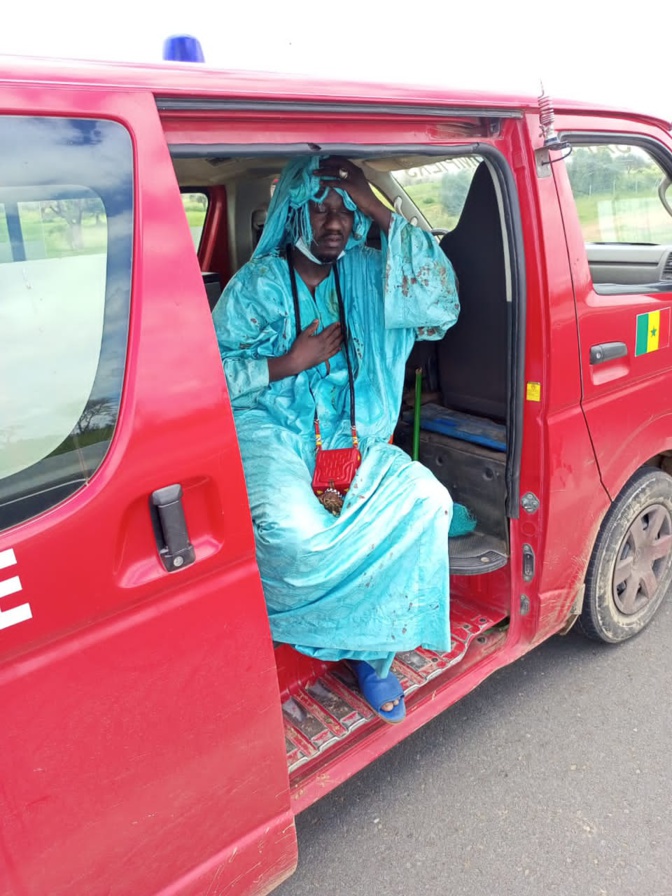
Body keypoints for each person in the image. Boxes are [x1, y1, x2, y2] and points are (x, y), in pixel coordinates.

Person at [213, 155, 467, 724]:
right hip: (270, 433)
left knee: (428, 503)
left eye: (346, 212)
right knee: (300, 540)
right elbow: (207, 377)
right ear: (293, 211)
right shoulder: (255, 286)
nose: (335, 222)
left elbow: (439, 302)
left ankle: (374, 657)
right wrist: (286, 363)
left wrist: (375, 203)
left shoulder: (368, 275)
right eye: (322, 208)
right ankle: (320, 632)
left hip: (354, 441)